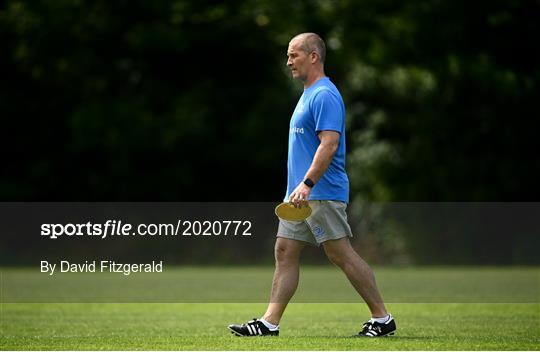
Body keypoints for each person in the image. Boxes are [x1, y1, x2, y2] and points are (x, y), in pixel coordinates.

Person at [228, 33, 396, 338]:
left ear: (313, 56)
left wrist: (307, 183)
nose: (289, 61)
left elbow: (329, 144)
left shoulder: (324, 95)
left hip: (320, 192)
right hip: (299, 196)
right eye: (288, 56)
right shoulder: (307, 94)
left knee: (340, 253)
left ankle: (382, 318)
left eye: (294, 55)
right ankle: (269, 322)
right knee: (285, 250)